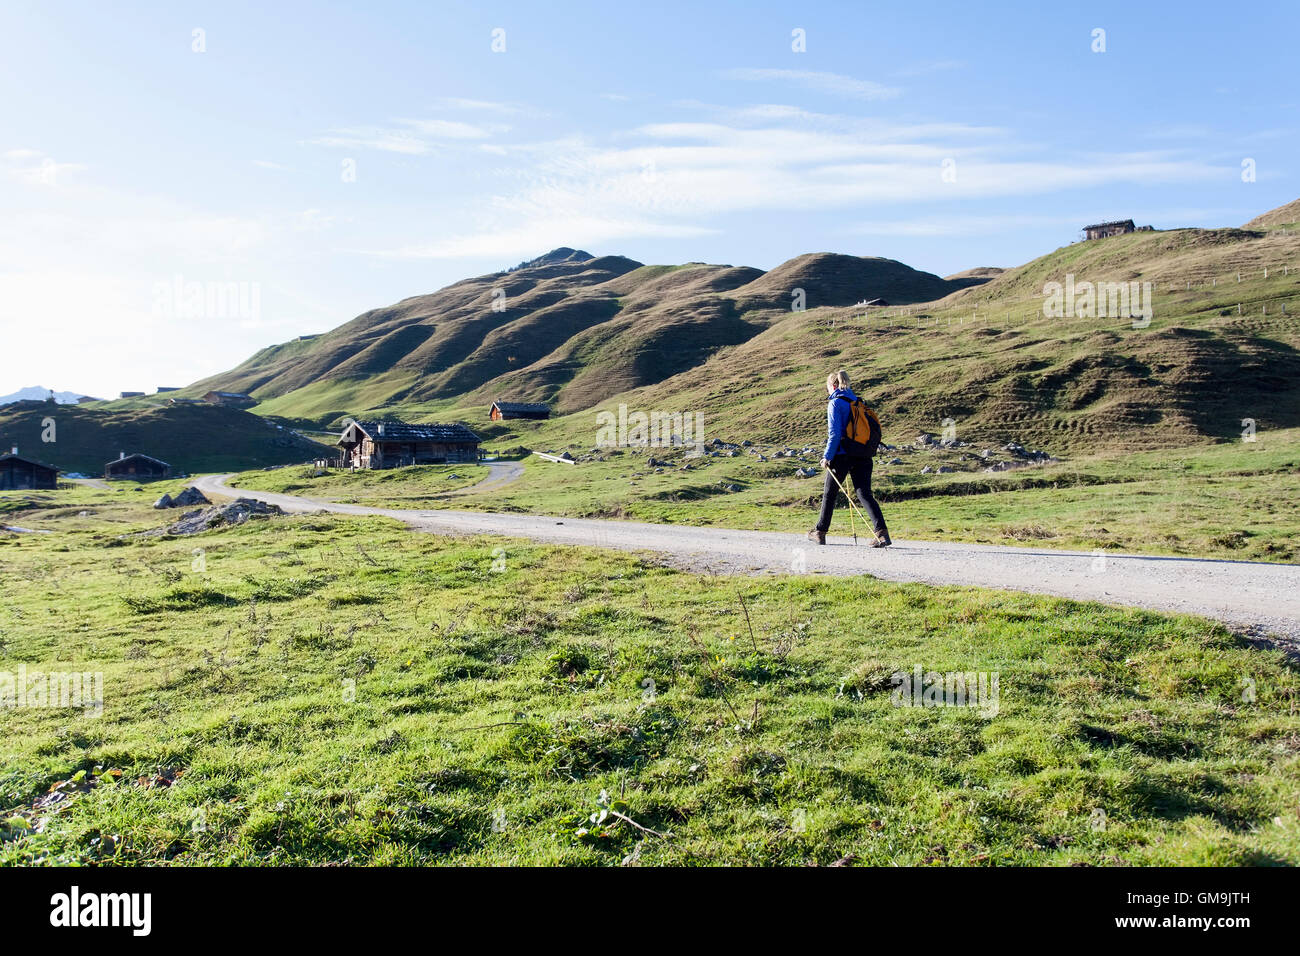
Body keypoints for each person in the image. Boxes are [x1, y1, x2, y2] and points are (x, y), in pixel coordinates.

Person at [808, 369, 891, 547]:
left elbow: (835, 434)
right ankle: (882, 533)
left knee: (829, 494)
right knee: (864, 493)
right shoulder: (857, 402)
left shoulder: (835, 403)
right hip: (864, 454)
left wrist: (826, 457)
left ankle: (820, 532)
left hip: (842, 455)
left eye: (828, 388)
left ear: (833, 385)